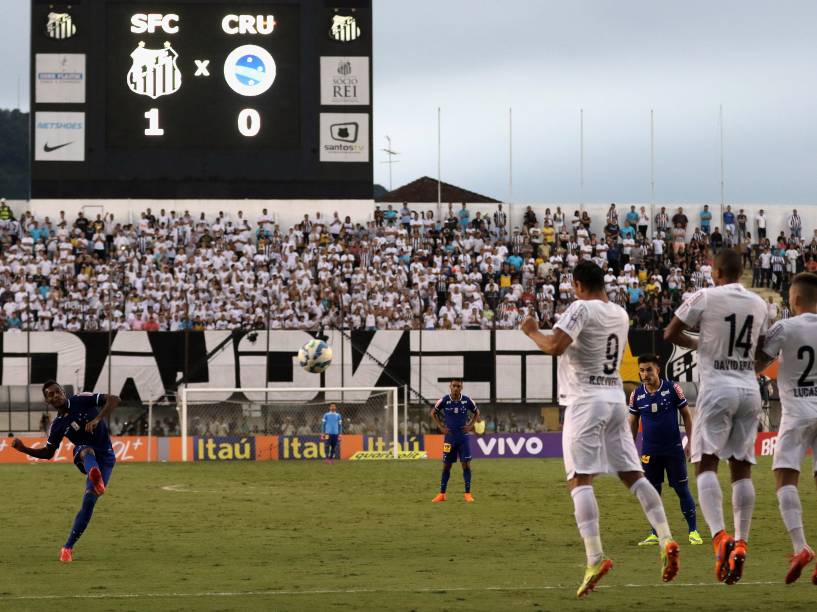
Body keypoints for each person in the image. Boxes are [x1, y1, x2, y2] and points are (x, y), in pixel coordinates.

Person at [521, 261, 679, 598]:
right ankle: (666, 538)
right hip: (614, 399)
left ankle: (594, 558)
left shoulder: (580, 308)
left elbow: (555, 347)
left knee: (580, 479)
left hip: (585, 401)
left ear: (578, 284)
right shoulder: (620, 314)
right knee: (632, 474)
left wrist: (532, 330)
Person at [664, 249, 768, 585]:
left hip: (716, 388)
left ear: (716, 271)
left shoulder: (704, 296)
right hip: (749, 390)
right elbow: (763, 351)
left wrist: (701, 344)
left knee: (705, 463)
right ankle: (742, 541)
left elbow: (670, 333)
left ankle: (720, 537)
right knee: (742, 469)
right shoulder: (759, 303)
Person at [10, 381, 120, 563]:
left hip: (106, 458)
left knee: (89, 501)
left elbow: (115, 399)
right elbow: (48, 453)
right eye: (51, 395)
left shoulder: (82, 399)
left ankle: (67, 548)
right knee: (84, 449)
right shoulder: (58, 425)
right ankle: (94, 473)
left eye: (57, 392)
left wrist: (97, 419)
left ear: (63, 392)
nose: (56, 396)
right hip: (84, 455)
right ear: (47, 401)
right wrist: (24, 449)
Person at [755, 272, 817, 583]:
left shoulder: (785, 326)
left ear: (794, 300)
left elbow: (757, 362)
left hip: (797, 413)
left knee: (784, 475)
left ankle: (800, 547)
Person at [628, 354, 702, 546]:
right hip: (649, 452)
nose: (645, 374)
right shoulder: (636, 394)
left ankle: (693, 531)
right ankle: (655, 532)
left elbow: (687, 415)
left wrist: (691, 443)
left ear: (658, 370)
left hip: (673, 450)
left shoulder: (672, 389)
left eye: (649, 370)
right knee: (652, 492)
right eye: (642, 370)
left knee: (681, 489)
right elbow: (633, 423)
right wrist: (629, 449)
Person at [430, 379, 479, 503]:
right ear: (450, 387)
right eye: (454, 386)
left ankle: (467, 494)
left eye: (458, 386)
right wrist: (441, 427)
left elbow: (476, 412)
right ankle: (442, 494)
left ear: (461, 387)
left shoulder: (467, 400)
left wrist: (470, 426)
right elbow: (433, 413)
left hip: (463, 439)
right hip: (449, 439)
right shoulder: (444, 400)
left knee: (466, 465)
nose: (456, 388)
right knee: (446, 466)